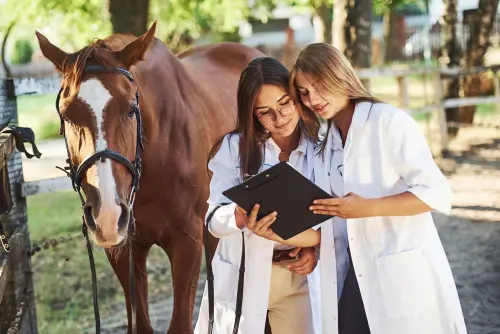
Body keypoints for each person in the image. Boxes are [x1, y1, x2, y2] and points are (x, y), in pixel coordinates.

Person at [247, 43, 468, 334]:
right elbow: (331, 218)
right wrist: (313, 251)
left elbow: (436, 192)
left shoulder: (387, 122)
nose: (313, 99)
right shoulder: (326, 146)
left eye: (319, 85)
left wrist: (367, 208)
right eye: (303, 92)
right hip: (351, 274)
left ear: (340, 75)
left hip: (400, 272)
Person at [194, 57, 323, 334]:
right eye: (265, 112)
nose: (280, 118)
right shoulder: (233, 148)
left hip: (297, 279)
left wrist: (315, 250)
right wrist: (238, 217)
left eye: (285, 103)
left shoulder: (321, 147)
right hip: (244, 275)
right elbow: (213, 220)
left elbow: (330, 219)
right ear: (252, 114)